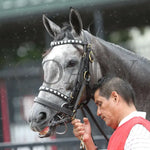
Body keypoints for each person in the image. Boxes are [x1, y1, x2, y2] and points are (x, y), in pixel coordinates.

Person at [72, 76, 150, 150]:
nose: (98, 113)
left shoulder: (137, 131)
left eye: (100, 104)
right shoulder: (129, 130)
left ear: (115, 98)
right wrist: (88, 141)